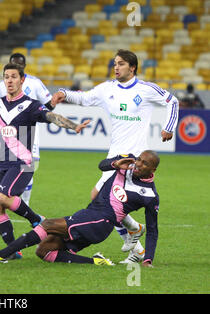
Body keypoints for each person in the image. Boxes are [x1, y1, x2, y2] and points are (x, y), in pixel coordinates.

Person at [50, 49, 179, 264]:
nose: (116, 67)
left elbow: (172, 101)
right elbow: (85, 98)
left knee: (103, 200)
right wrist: (64, 93)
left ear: (132, 67)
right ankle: (135, 236)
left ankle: (136, 240)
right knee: (101, 199)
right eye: (114, 63)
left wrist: (169, 127)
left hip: (134, 160)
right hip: (115, 157)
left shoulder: (145, 89)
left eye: (120, 64)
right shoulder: (107, 89)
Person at [0, 63, 90, 259]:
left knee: (2, 197)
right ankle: (14, 252)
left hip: (23, 162)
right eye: (6, 77)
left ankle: (37, 220)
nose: (10, 80)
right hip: (3, 162)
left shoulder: (30, 105)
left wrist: (74, 126)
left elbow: (51, 116)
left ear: (22, 80)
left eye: (14, 77)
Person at [0, 150, 160, 269]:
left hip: (101, 222)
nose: (138, 164)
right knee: (44, 251)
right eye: (139, 160)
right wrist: (114, 164)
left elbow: (152, 229)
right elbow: (101, 165)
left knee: (47, 224)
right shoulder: (126, 164)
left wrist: (148, 259)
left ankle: (0, 255)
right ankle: (96, 261)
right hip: (88, 214)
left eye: (144, 163)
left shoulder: (150, 196)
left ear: (153, 169)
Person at [0, 53, 53, 206]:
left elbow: (48, 104)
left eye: (20, 64)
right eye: (14, 63)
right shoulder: (2, 85)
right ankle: (7, 199)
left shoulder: (35, 83)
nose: (17, 66)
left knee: (28, 166)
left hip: (29, 132)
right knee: (7, 168)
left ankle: (24, 202)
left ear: (24, 67)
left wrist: (39, 113)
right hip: (9, 135)